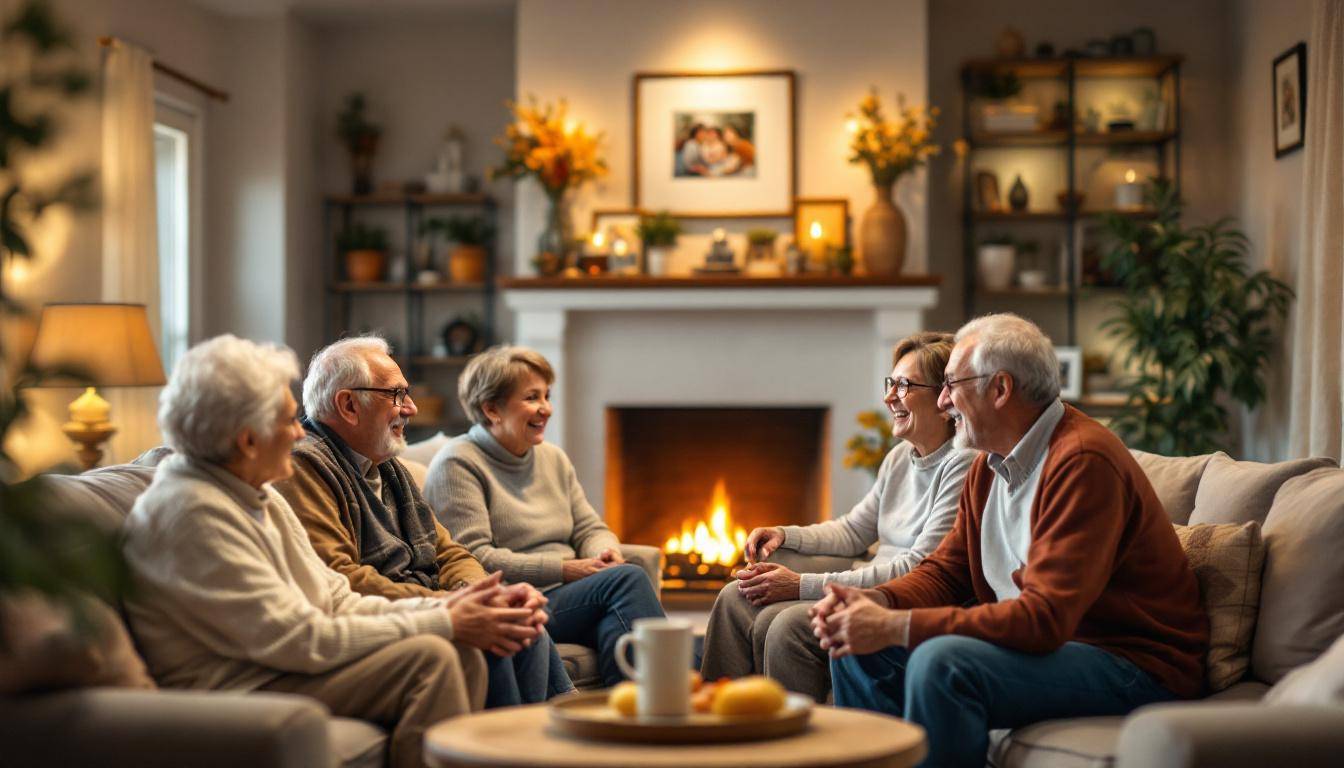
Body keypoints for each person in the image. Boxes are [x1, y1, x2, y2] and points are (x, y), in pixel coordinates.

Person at [814, 313, 1209, 768]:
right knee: (856, 648)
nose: (942, 402)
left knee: (943, 663)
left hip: (1132, 663)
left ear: (999, 390)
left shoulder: (1082, 461)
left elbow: (1044, 619)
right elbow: (948, 571)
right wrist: (873, 603)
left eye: (950, 385)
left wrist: (897, 626)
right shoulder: (987, 465)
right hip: (1062, 650)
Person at [122, 335, 522, 768]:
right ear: (247, 439)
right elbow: (302, 637)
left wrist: (452, 607)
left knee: (458, 650)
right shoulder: (191, 511)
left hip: (274, 664)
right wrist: (444, 619)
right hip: (233, 687)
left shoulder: (254, 495)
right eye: (287, 419)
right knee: (431, 658)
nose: (299, 432)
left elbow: (335, 597)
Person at [274, 335, 572, 708]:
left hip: (427, 605)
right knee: (500, 633)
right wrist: (449, 605)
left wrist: (480, 593)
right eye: (396, 395)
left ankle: (556, 735)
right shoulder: (304, 467)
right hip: (384, 621)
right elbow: (343, 576)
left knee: (522, 623)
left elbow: (448, 550)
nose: (411, 408)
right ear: (348, 405)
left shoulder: (390, 468)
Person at [700, 332, 975, 701]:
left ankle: (791, 746)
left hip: (897, 598)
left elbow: (918, 569)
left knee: (782, 625)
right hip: (867, 584)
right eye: (890, 383)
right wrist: (785, 535)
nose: (889, 396)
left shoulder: (963, 464)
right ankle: (714, 723)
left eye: (905, 385)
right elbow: (853, 530)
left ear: (945, 399)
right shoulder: (899, 457)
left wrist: (800, 585)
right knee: (737, 597)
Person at [424, 345, 666, 687]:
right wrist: (566, 570)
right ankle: (671, 696)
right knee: (627, 579)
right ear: (491, 408)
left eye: (547, 396)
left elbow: (589, 526)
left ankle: (624, 717)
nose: (546, 409)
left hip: (576, 592)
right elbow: (473, 557)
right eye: (532, 398)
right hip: (522, 597)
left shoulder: (552, 457)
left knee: (616, 616)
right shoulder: (458, 463)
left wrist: (603, 551)